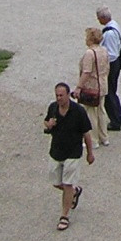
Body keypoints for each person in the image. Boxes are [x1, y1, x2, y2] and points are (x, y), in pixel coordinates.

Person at [43, 82, 95, 231]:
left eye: (61, 95)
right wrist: (49, 125)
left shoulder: (78, 111)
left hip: (73, 152)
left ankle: (64, 216)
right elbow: (45, 123)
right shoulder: (53, 108)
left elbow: (86, 133)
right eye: (57, 95)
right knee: (56, 182)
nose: (59, 98)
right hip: (56, 151)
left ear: (68, 95)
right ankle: (74, 192)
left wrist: (90, 153)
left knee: (67, 184)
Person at [77, 27, 111, 147]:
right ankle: (104, 137)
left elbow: (86, 72)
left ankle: (93, 139)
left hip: (91, 87)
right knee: (101, 111)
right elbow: (107, 68)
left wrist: (79, 87)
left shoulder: (89, 53)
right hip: (102, 85)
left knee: (90, 112)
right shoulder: (104, 51)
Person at [97, 7, 121, 131]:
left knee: (108, 93)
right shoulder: (114, 25)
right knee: (113, 92)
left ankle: (115, 121)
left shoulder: (108, 33)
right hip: (117, 61)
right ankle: (120, 117)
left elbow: (110, 54)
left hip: (112, 63)